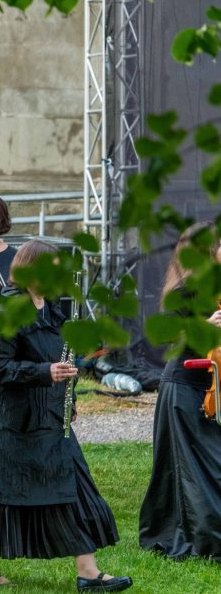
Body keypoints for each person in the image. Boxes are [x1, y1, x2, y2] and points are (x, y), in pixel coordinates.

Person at [0, 240, 130, 592]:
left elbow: (59, 361)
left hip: (49, 416)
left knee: (74, 486)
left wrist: (66, 392)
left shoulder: (51, 310)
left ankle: (88, 571)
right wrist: (44, 371)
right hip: (8, 422)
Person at [139, 222, 221, 564]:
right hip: (185, 388)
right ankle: (205, 538)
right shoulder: (183, 292)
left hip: (211, 387)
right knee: (197, 469)